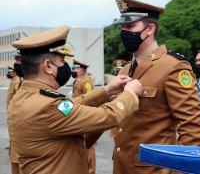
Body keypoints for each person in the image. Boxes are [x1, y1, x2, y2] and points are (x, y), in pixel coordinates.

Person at [7, 26, 142, 174]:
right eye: (62, 61)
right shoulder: (49, 106)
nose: (66, 67)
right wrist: (129, 94)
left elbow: (69, 106)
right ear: (48, 66)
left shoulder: (26, 96)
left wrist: (106, 91)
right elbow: (107, 116)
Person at [112, 0, 200, 174]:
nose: (124, 32)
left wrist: (181, 170)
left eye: (130, 26)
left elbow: (191, 125)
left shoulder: (173, 66)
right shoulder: (124, 70)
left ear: (150, 29)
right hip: (122, 167)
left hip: (154, 169)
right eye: (122, 27)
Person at [71, 59, 96, 174]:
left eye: (74, 69)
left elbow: (90, 99)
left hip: (84, 117)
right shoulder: (78, 80)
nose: (72, 71)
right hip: (78, 116)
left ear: (80, 70)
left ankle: (90, 170)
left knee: (88, 146)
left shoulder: (85, 81)